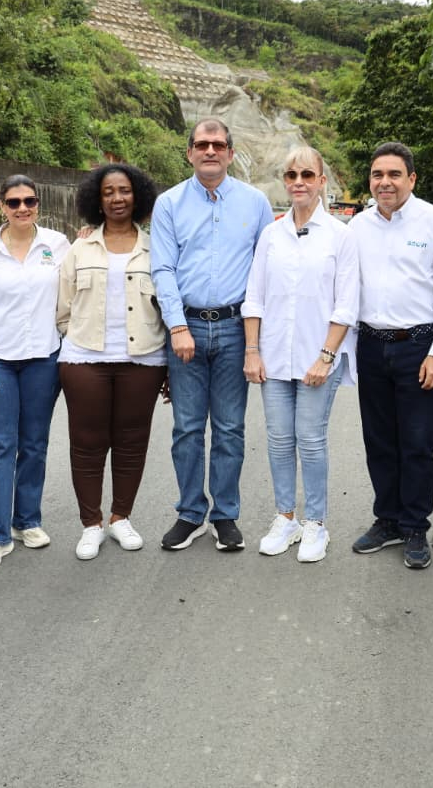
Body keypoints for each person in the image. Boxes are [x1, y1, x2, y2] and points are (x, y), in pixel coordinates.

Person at [150, 118, 274, 552]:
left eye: (218, 144)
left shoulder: (255, 203)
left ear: (230, 153)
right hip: (185, 328)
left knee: (229, 429)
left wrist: (257, 341)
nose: (210, 151)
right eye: (202, 144)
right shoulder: (169, 204)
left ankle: (225, 515)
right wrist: (177, 326)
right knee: (186, 428)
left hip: (235, 328)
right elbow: (162, 268)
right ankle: (189, 513)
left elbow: (263, 271)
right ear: (189, 152)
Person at [349, 142, 433, 569]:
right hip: (371, 345)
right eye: (378, 175)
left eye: (394, 174)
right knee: (379, 440)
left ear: (412, 179)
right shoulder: (357, 227)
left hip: (418, 344)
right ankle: (388, 520)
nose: (385, 182)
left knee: (416, 442)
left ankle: (415, 525)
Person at [244, 147, 359, 563]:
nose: (298, 181)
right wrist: (252, 352)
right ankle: (285, 517)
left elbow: (346, 304)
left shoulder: (341, 236)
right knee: (278, 440)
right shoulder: (270, 235)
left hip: (318, 358)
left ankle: (316, 523)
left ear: (322, 181)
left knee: (310, 440)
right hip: (273, 357)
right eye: (291, 174)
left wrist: (325, 356)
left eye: (307, 174)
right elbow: (254, 297)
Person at [56, 163, 167, 561]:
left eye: (124, 190)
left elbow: (168, 303)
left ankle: (121, 517)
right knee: (86, 444)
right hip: (85, 359)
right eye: (108, 192)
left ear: (137, 195)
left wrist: (168, 360)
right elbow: (63, 306)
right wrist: (77, 337)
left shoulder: (158, 247)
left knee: (132, 443)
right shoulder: (80, 247)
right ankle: (91, 524)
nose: (117, 198)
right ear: (96, 200)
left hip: (144, 359)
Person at [0, 175, 70, 571]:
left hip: (44, 357)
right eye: (13, 202)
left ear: (38, 203)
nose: (22, 208)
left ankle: (27, 520)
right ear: (1, 207)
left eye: (29, 200)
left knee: (35, 443)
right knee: (0, 446)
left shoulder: (57, 245)